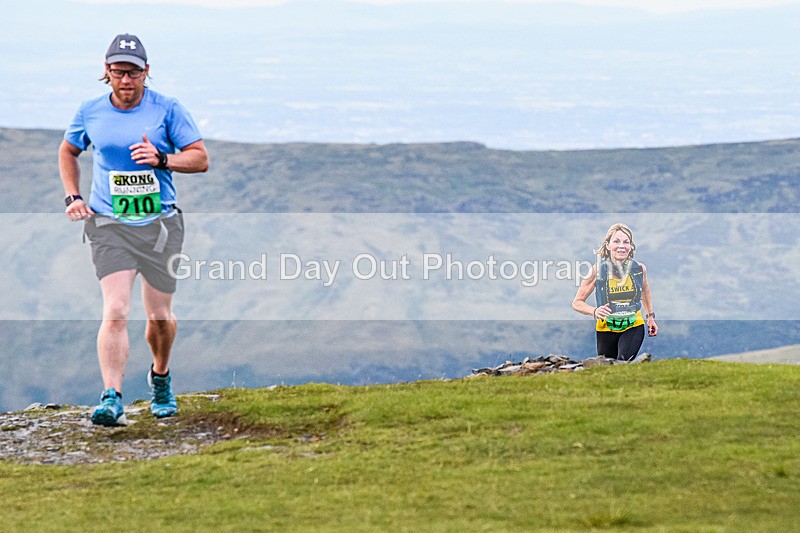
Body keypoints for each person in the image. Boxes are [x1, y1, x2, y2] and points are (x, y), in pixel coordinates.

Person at [58, 33, 209, 426]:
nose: (126, 80)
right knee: (117, 309)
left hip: (160, 224)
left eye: (134, 72)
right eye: (119, 72)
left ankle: (160, 377)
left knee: (159, 316)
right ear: (106, 72)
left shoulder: (168, 109)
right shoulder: (90, 111)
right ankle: (112, 396)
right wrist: (73, 196)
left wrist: (162, 158)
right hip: (109, 224)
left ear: (147, 72)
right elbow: (68, 150)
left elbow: (200, 159)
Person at [572, 223, 658, 361]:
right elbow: (577, 303)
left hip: (633, 325)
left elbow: (645, 291)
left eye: (626, 242)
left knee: (622, 361)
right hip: (605, 329)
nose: (621, 246)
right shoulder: (597, 271)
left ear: (631, 247)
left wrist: (650, 317)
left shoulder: (639, 269)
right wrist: (594, 311)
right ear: (608, 245)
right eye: (616, 241)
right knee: (608, 370)